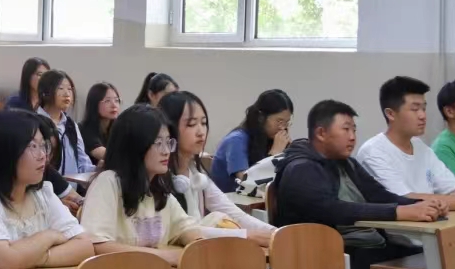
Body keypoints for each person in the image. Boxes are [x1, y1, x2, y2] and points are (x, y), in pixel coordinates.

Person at [274, 100, 445, 269]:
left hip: (367, 246)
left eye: (354, 130)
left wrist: (422, 205)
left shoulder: (347, 163)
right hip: (332, 257)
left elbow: (379, 195)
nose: (352, 137)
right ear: (321, 133)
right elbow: (333, 210)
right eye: (346, 129)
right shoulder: (301, 169)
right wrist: (398, 212)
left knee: (437, 266)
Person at [0, 109, 93, 269]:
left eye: (43, 146)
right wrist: (49, 236)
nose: (42, 155)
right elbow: (5, 262)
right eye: (32, 146)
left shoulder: (42, 194)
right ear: (3, 152)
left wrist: (39, 257)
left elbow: (85, 246)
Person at [79, 104, 227, 253]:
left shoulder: (157, 187)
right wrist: (164, 256)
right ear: (135, 146)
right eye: (158, 143)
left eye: (168, 142)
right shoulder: (108, 182)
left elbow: (185, 227)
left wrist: (197, 242)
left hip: (156, 267)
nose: (166, 151)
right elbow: (97, 244)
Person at [357, 76, 455, 211]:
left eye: (424, 109)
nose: (422, 116)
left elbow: (454, 188)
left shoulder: (420, 147)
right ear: (390, 114)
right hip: (401, 228)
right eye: (415, 109)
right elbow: (404, 199)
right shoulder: (373, 151)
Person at [158, 92, 274, 245]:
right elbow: (186, 231)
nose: (201, 132)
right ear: (169, 130)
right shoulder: (159, 179)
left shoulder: (196, 175)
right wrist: (246, 235)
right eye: (191, 124)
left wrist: (275, 233)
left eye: (203, 123)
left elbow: (234, 213)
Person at [210, 89, 294, 192]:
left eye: (287, 122)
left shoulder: (268, 139)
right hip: (230, 200)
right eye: (279, 121)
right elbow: (247, 183)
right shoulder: (236, 140)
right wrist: (274, 156)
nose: (283, 127)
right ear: (261, 117)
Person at [37, 70, 91, 178]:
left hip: (71, 187)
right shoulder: (35, 122)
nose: (67, 94)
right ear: (45, 92)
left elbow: (82, 161)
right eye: (60, 88)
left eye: (70, 89)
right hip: (45, 186)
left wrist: (99, 169)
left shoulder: (71, 125)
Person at [80, 82, 120, 164]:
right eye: (107, 101)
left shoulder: (118, 128)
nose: (114, 105)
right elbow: (104, 154)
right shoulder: (84, 128)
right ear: (94, 104)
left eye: (116, 100)